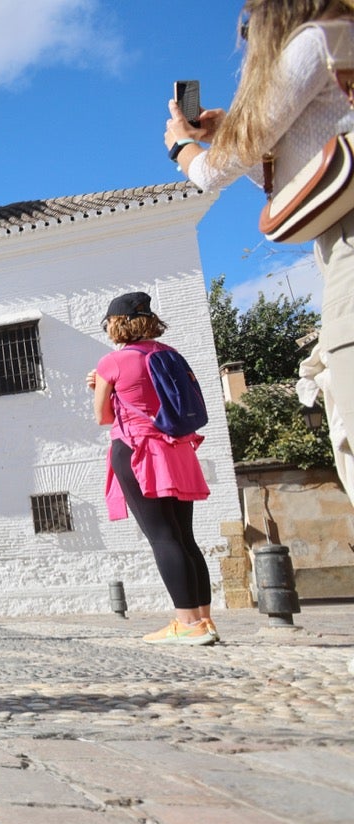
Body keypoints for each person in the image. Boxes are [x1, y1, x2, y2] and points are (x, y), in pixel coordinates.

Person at [168, 2, 354, 504]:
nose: (249, 42)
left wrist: (182, 149)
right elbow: (296, 183)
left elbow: (210, 174)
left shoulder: (317, 41)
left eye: (249, 29)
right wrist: (232, 132)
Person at [87, 292, 217, 645]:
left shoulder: (112, 362)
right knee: (185, 537)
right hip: (178, 450)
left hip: (138, 452)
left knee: (162, 536)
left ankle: (186, 624)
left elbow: (103, 417)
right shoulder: (171, 354)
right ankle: (203, 620)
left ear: (118, 323)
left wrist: (102, 387)